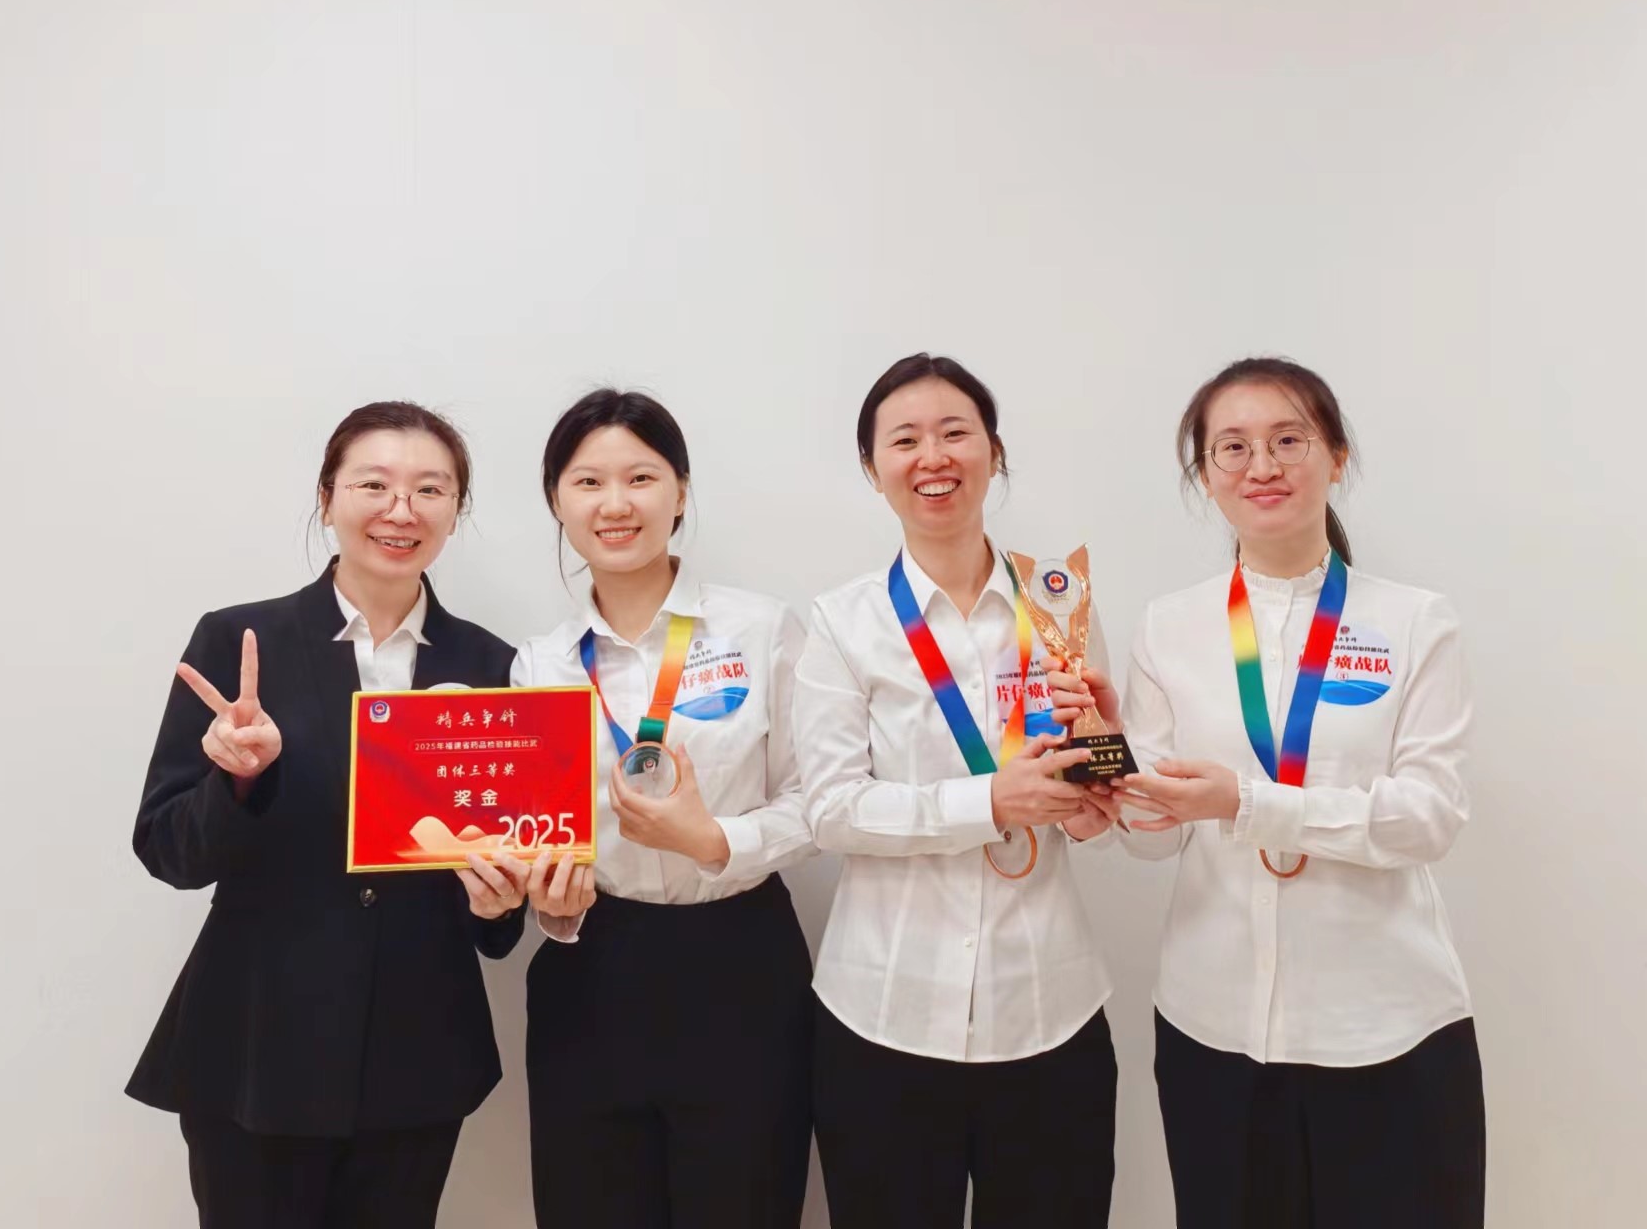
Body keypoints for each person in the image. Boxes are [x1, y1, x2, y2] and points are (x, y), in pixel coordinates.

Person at [128, 400, 590, 1229]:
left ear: (456, 510)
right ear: (327, 498)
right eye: (373, 484)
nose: (401, 510)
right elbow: (169, 852)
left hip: (418, 1052)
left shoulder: (496, 665)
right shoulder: (239, 644)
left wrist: (499, 904)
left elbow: (496, 908)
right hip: (258, 1044)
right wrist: (236, 781)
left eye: (430, 489)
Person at [1098, 356, 1485, 1228]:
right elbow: (1155, 840)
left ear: (1336, 456)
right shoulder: (1170, 624)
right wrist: (1117, 772)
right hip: (1214, 1030)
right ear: (1205, 475)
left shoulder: (1414, 621)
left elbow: (1429, 818)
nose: (1261, 466)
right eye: (1232, 448)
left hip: (1387, 1028)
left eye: (1287, 440)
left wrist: (1249, 802)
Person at [793, 353, 1122, 1229]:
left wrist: (1099, 793)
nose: (932, 457)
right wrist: (991, 802)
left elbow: (1091, 796)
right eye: (904, 440)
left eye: (955, 433)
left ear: (994, 452)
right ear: (873, 469)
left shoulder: (1058, 600)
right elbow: (831, 809)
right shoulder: (843, 622)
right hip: (884, 1017)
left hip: (1049, 1009)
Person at [514, 388, 816, 1229]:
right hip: (591, 970)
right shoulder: (541, 665)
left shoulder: (760, 630)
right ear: (557, 501)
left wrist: (715, 840)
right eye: (587, 482)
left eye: (640, 478)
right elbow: (537, 834)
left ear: (680, 491)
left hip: (742, 963)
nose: (615, 504)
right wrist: (550, 900)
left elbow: (817, 801)